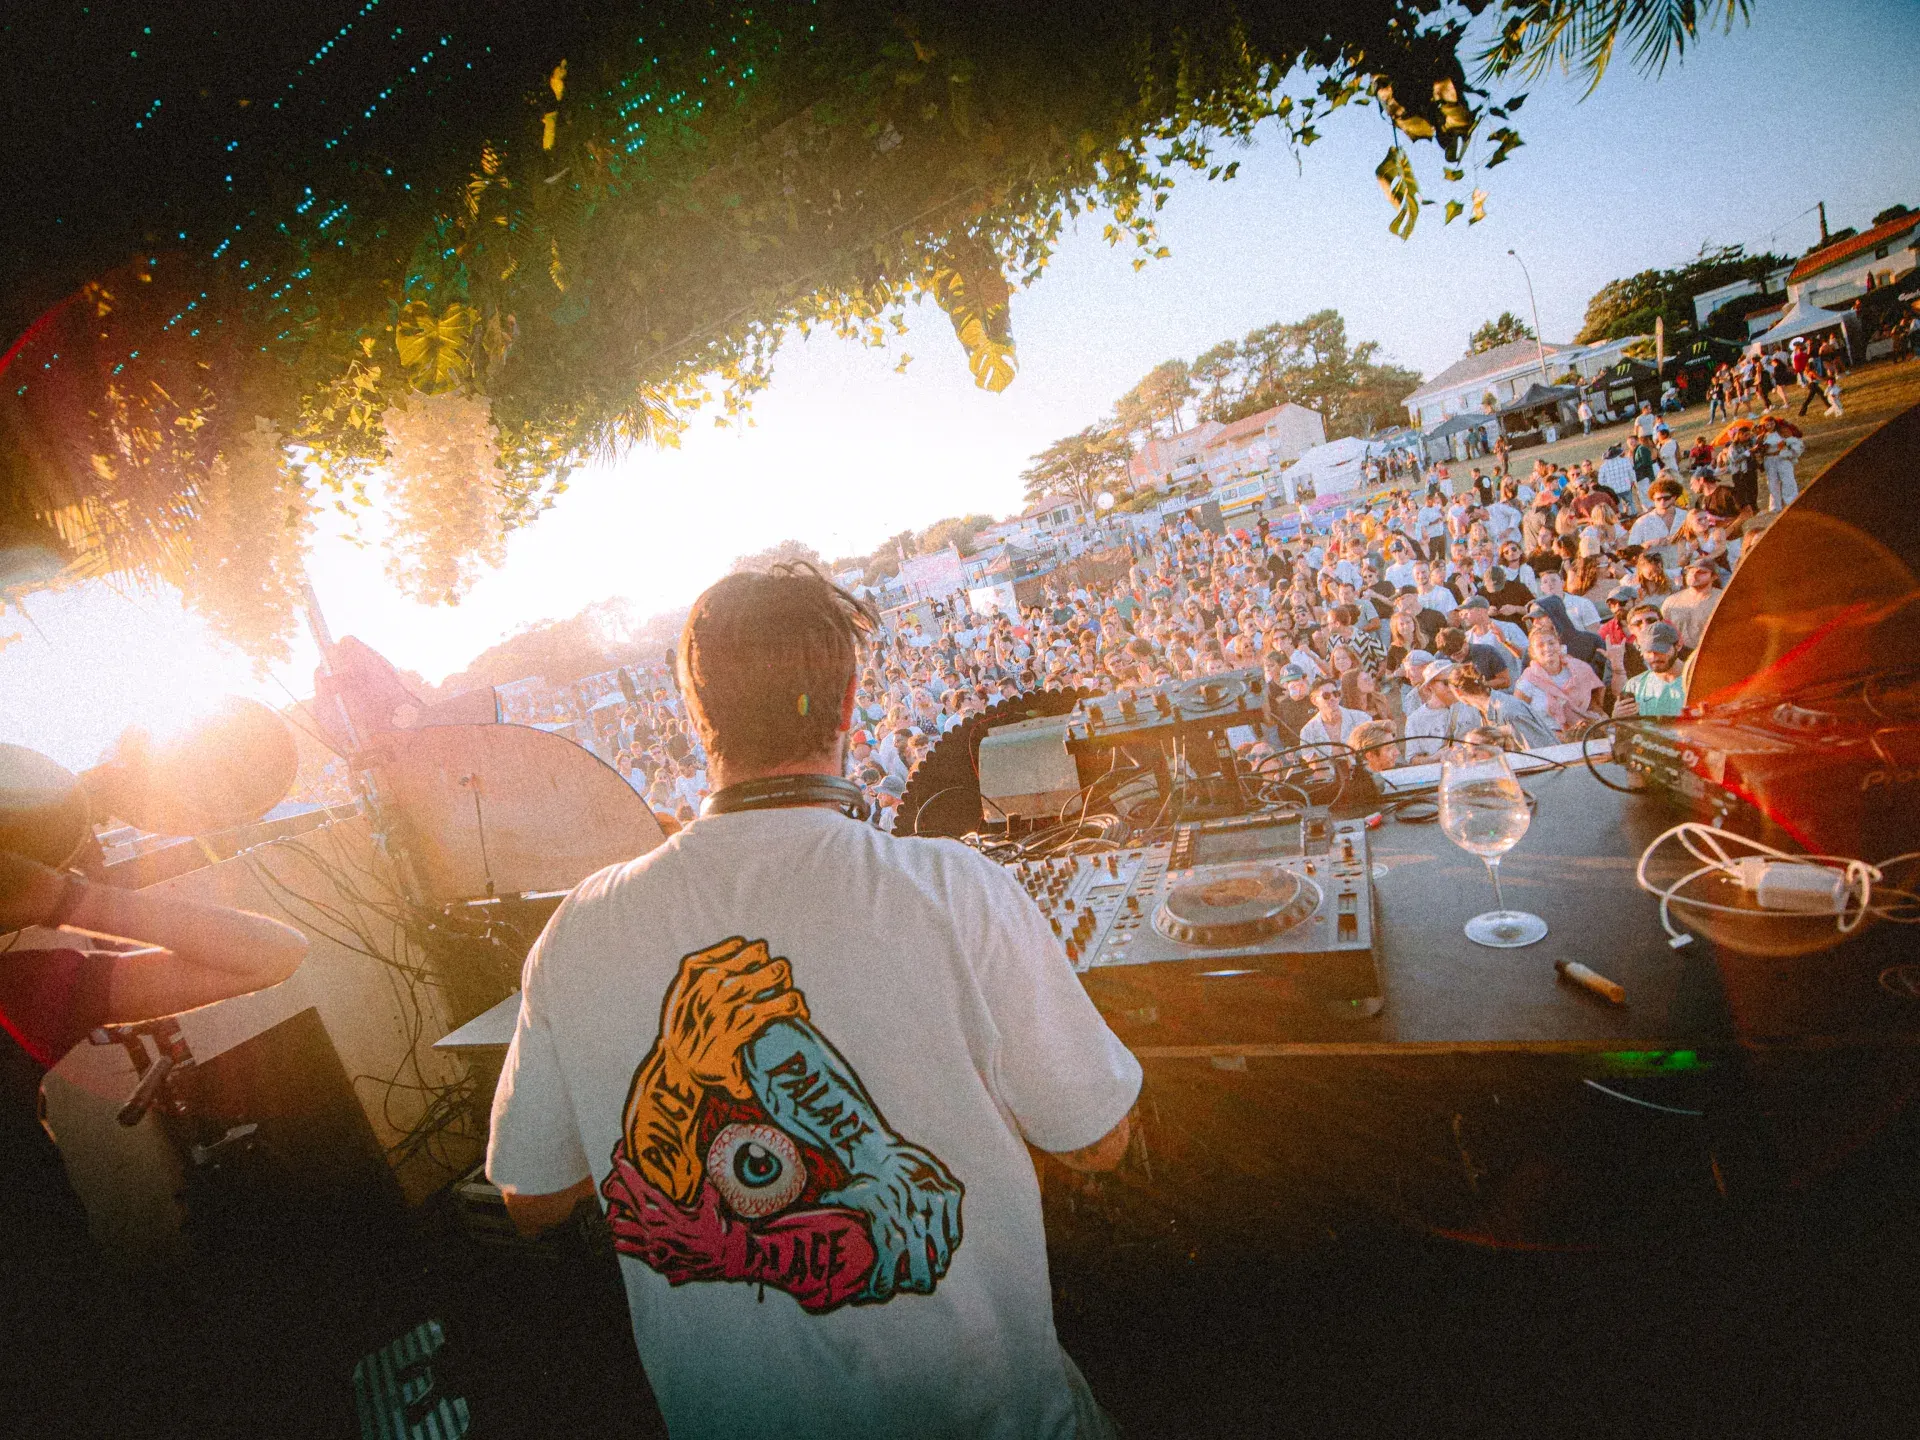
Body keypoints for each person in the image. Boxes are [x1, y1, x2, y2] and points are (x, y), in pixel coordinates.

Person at [487, 562, 1139, 1440]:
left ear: (694, 712)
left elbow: (532, 1199)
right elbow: (1098, 1142)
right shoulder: (956, 888)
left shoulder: (576, 930)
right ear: (847, 705)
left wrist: (671, 1085)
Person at [1515, 628, 1607, 739]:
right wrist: (1561, 737)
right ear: (1532, 652)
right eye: (1540, 645)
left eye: (1551, 643)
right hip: (1549, 740)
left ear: (1559, 646)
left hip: (1586, 735)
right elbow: (1519, 719)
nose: (1547, 648)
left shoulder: (1580, 669)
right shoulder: (1527, 681)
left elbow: (1594, 707)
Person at [1617, 621, 1687, 718]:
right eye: (1648, 652)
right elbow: (1623, 728)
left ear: (1678, 646)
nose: (1654, 657)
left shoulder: (1699, 681)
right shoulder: (1634, 686)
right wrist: (1617, 716)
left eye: (1660, 650)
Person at [1660, 559, 1723, 652]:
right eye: (1691, 571)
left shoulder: (1722, 600)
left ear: (1714, 577)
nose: (1694, 575)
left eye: (1701, 572)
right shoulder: (1671, 601)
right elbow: (1663, 631)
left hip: (1709, 655)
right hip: (1679, 657)